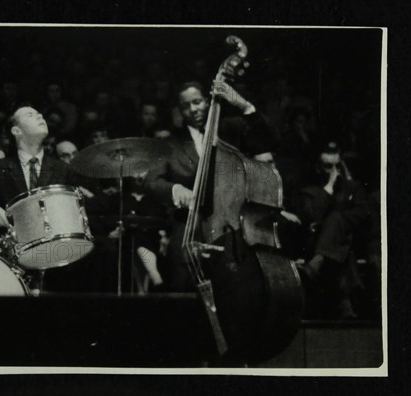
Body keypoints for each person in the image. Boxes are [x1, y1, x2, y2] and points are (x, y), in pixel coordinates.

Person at [144, 80, 278, 292]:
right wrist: (174, 188)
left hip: (232, 221)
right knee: (179, 272)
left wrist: (244, 105)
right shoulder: (170, 144)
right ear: (180, 111)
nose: (193, 109)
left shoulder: (229, 130)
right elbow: (152, 181)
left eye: (197, 102)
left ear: (207, 101)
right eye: (186, 106)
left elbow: (269, 137)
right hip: (190, 221)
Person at [0, 104, 83, 292]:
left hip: (55, 263)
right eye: (30, 114)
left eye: (40, 113)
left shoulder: (64, 169)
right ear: (16, 130)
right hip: (8, 263)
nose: (40, 115)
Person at [294, 141, 369, 319]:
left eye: (337, 166)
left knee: (335, 219)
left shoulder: (353, 188)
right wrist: (328, 187)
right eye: (328, 167)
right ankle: (345, 304)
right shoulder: (309, 191)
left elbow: (362, 214)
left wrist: (333, 225)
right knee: (340, 243)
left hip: (347, 239)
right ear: (318, 167)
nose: (334, 171)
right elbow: (310, 216)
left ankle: (316, 265)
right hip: (320, 244)